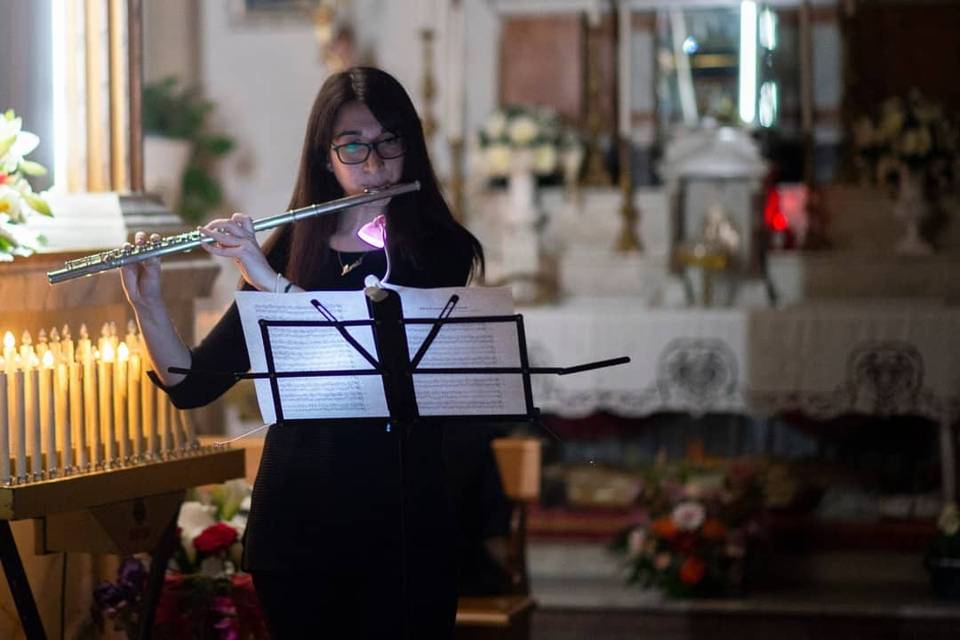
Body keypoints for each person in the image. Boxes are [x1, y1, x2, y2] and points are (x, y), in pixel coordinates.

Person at [121, 67, 485, 638]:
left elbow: (369, 345)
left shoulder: (439, 250)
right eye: (353, 147)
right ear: (325, 158)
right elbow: (193, 384)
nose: (374, 163)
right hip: (297, 520)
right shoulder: (291, 248)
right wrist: (148, 305)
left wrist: (267, 280)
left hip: (401, 521)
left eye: (390, 141)